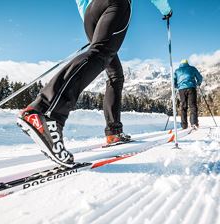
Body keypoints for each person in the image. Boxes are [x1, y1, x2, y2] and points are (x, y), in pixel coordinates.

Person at [17, 0, 173, 167]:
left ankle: (114, 132)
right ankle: (47, 113)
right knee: (101, 54)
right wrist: (166, 10)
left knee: (115, 75)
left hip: (90, 13)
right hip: (114, 4)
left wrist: (90, 18)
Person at [174, 59, 203, 129]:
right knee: (193, 106)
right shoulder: (192, 68)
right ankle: (194, 123)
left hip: (181, 90)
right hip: (191, 88)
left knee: (183, 106)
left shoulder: (177, 71)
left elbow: (174, 81)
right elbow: (200, 77)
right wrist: (198, 83)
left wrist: (177, 86)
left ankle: (184, 125)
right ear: (187, 63)